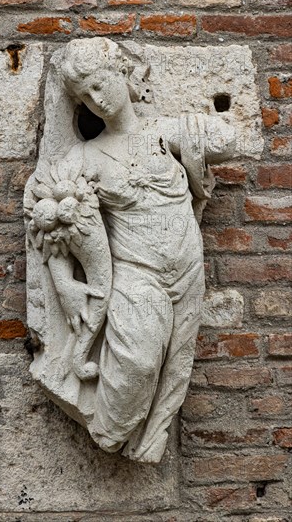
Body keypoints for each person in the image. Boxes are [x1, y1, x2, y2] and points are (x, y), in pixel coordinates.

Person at [25, 38, 236, 463]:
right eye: (83, 95)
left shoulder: (164, 133)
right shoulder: (83, 157)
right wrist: (65, 285)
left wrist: (201, 131)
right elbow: (55, 219)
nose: (95, 100)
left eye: (100, 85)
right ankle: (108, 429)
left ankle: (150, 439)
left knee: (175, 366)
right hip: (136, 275)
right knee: (137, 365)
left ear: (123, 74)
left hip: (187, 271)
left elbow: (227, 141)